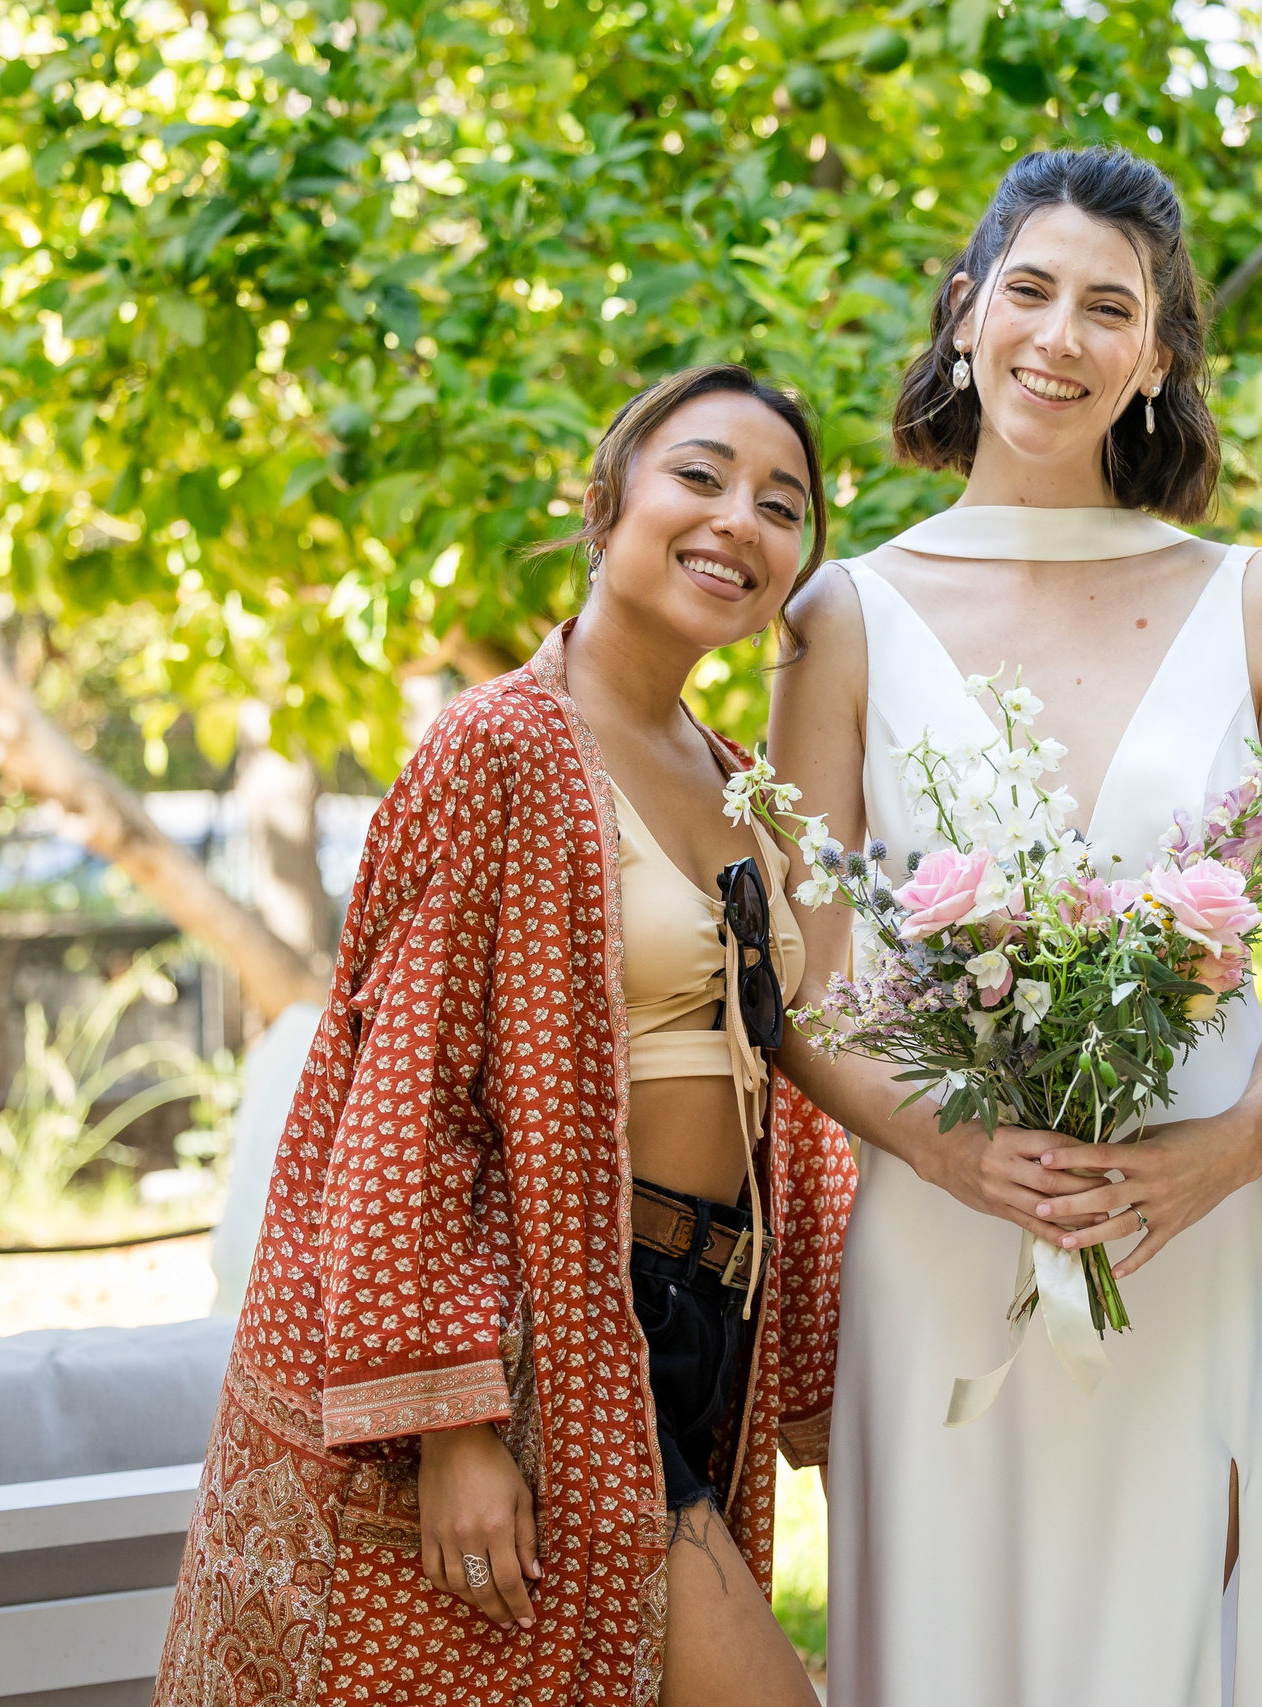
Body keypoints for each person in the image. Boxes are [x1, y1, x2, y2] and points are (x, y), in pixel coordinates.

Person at [153, 365, 855, 1707]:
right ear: (605, 504)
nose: (741, 521)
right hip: (549, 1322)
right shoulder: (499, 749)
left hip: (703, 1320)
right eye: (699, 477)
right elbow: (407, 1090)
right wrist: (455, 1426)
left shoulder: (734, 777)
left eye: (783, 505)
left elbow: (785, 1077)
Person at [768, 146, 1262, 1706]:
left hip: (1202, 1232)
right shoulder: (840, 614)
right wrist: (955, 1152)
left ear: (1158, 357)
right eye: (1029, 290)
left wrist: (1220, 1157)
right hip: (947, 1226)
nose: (1061, 335)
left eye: (1113, 308)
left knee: (1177, 1633)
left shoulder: (1259, 604)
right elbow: (807, 988)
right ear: (966, 314)